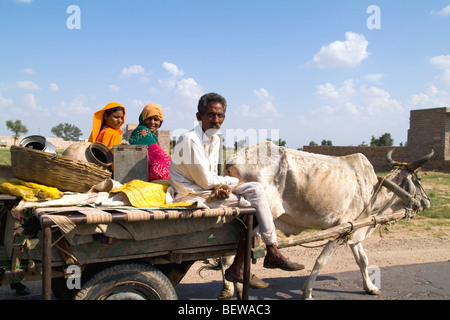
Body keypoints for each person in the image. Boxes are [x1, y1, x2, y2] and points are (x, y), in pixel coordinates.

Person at [169, 92, 304, 289]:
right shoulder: (189, 139)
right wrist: (227, 183)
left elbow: (210, 175)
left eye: (220, 116)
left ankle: (267, 252)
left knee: (257, 190)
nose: (216, 120)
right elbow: (206, 180)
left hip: (206, 191)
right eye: (211, 115)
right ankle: (253, 260)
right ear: (199, 116)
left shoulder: (215, 139)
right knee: (254, 206)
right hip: (191, 194)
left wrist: (222, 186)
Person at [129, 103, 171, 181]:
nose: (152, 122)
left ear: (160, 122)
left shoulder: (152, 136)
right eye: (148, 118)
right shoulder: (142, 131)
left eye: (156, 119)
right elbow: (159, 157)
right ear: (143, 119)